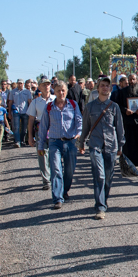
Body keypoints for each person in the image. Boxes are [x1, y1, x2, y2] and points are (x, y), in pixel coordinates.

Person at [78, 77, 125, 219]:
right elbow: (85, 127)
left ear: (110, 89)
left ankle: (103, 200)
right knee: (99, 175)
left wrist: (121, 146)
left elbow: (120, 128)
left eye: (107, 86)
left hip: (111, 146)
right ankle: (100, 206)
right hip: (95, 146)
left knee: (108, 177)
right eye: (102, 86)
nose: (104, 88)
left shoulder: (114, 107)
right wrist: (81, 143)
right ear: (97, 88)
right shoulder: (90, 106)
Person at [40, 81, 82, 209]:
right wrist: (40, 145)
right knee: (56, 169)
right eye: (58, 90)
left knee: (69, 170)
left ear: (66, 91)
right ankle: (57, 198)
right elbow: (43, 126)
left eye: (63, 90)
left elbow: (79, 120)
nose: (61, 93)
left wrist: (79, 134)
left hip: (70, 142)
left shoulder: (73, 105)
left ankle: (64, 190)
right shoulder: (49, 107)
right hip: (54, 142)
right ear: (54, 91)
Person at [27, 79, 54, 190]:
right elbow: (31, 120)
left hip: (54, 131)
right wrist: (30, 136)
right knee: (42, 155)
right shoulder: (36, 102)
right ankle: (46, 180)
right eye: (44, 84)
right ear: (39, 87)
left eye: (48, 84)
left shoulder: (55, 99)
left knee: (54, 155)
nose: (46, 86)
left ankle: (54, 177)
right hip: (40, 130)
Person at [118, 73, 138, 167]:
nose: (131, 81)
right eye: (130, 80)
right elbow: (118, 105)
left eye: (133, 79)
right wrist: (125, 110)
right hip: (128, 121)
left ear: (136, 80)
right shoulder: (122, 92)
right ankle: (129, 163)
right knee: (128, 143)